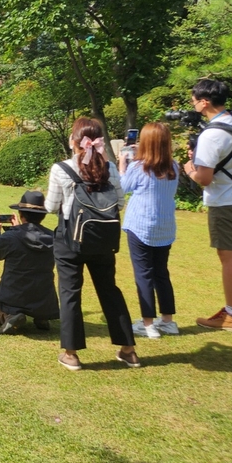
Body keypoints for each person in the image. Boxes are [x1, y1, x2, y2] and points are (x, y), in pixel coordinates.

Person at [45, 117, 139, 370]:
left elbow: (51, 207)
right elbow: (119, 203)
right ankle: (128, 350)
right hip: (102, 238)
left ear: (73, 141)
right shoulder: (109, 168)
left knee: (70, 293)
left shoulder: (61, 169)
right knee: (109, 290)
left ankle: (71, 353)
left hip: (70, 238)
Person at [183, 79, 232, 332]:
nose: (193, 105)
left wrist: (189, 169)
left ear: (204, 102)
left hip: (226, 202)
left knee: (229, 258)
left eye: (194, 101)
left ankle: (231, 315)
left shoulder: (211, 135)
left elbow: (204, 178)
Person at [119, 122, 180, 339]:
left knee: (143, 274)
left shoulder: (139, 167)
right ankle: (168, 321)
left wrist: (122, 164)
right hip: (164, 227)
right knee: (161, 273)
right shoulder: (173, 167)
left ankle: (148, 324)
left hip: (141, 225)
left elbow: (122, 188)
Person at [0, 190, 60, 335]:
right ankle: (41, 316)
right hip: (43, 296)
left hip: (13, 295)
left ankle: (8, 317)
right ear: (43, 215)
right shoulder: (53, 237)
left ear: (20, 214)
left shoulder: (11, 237)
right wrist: (18, 228)